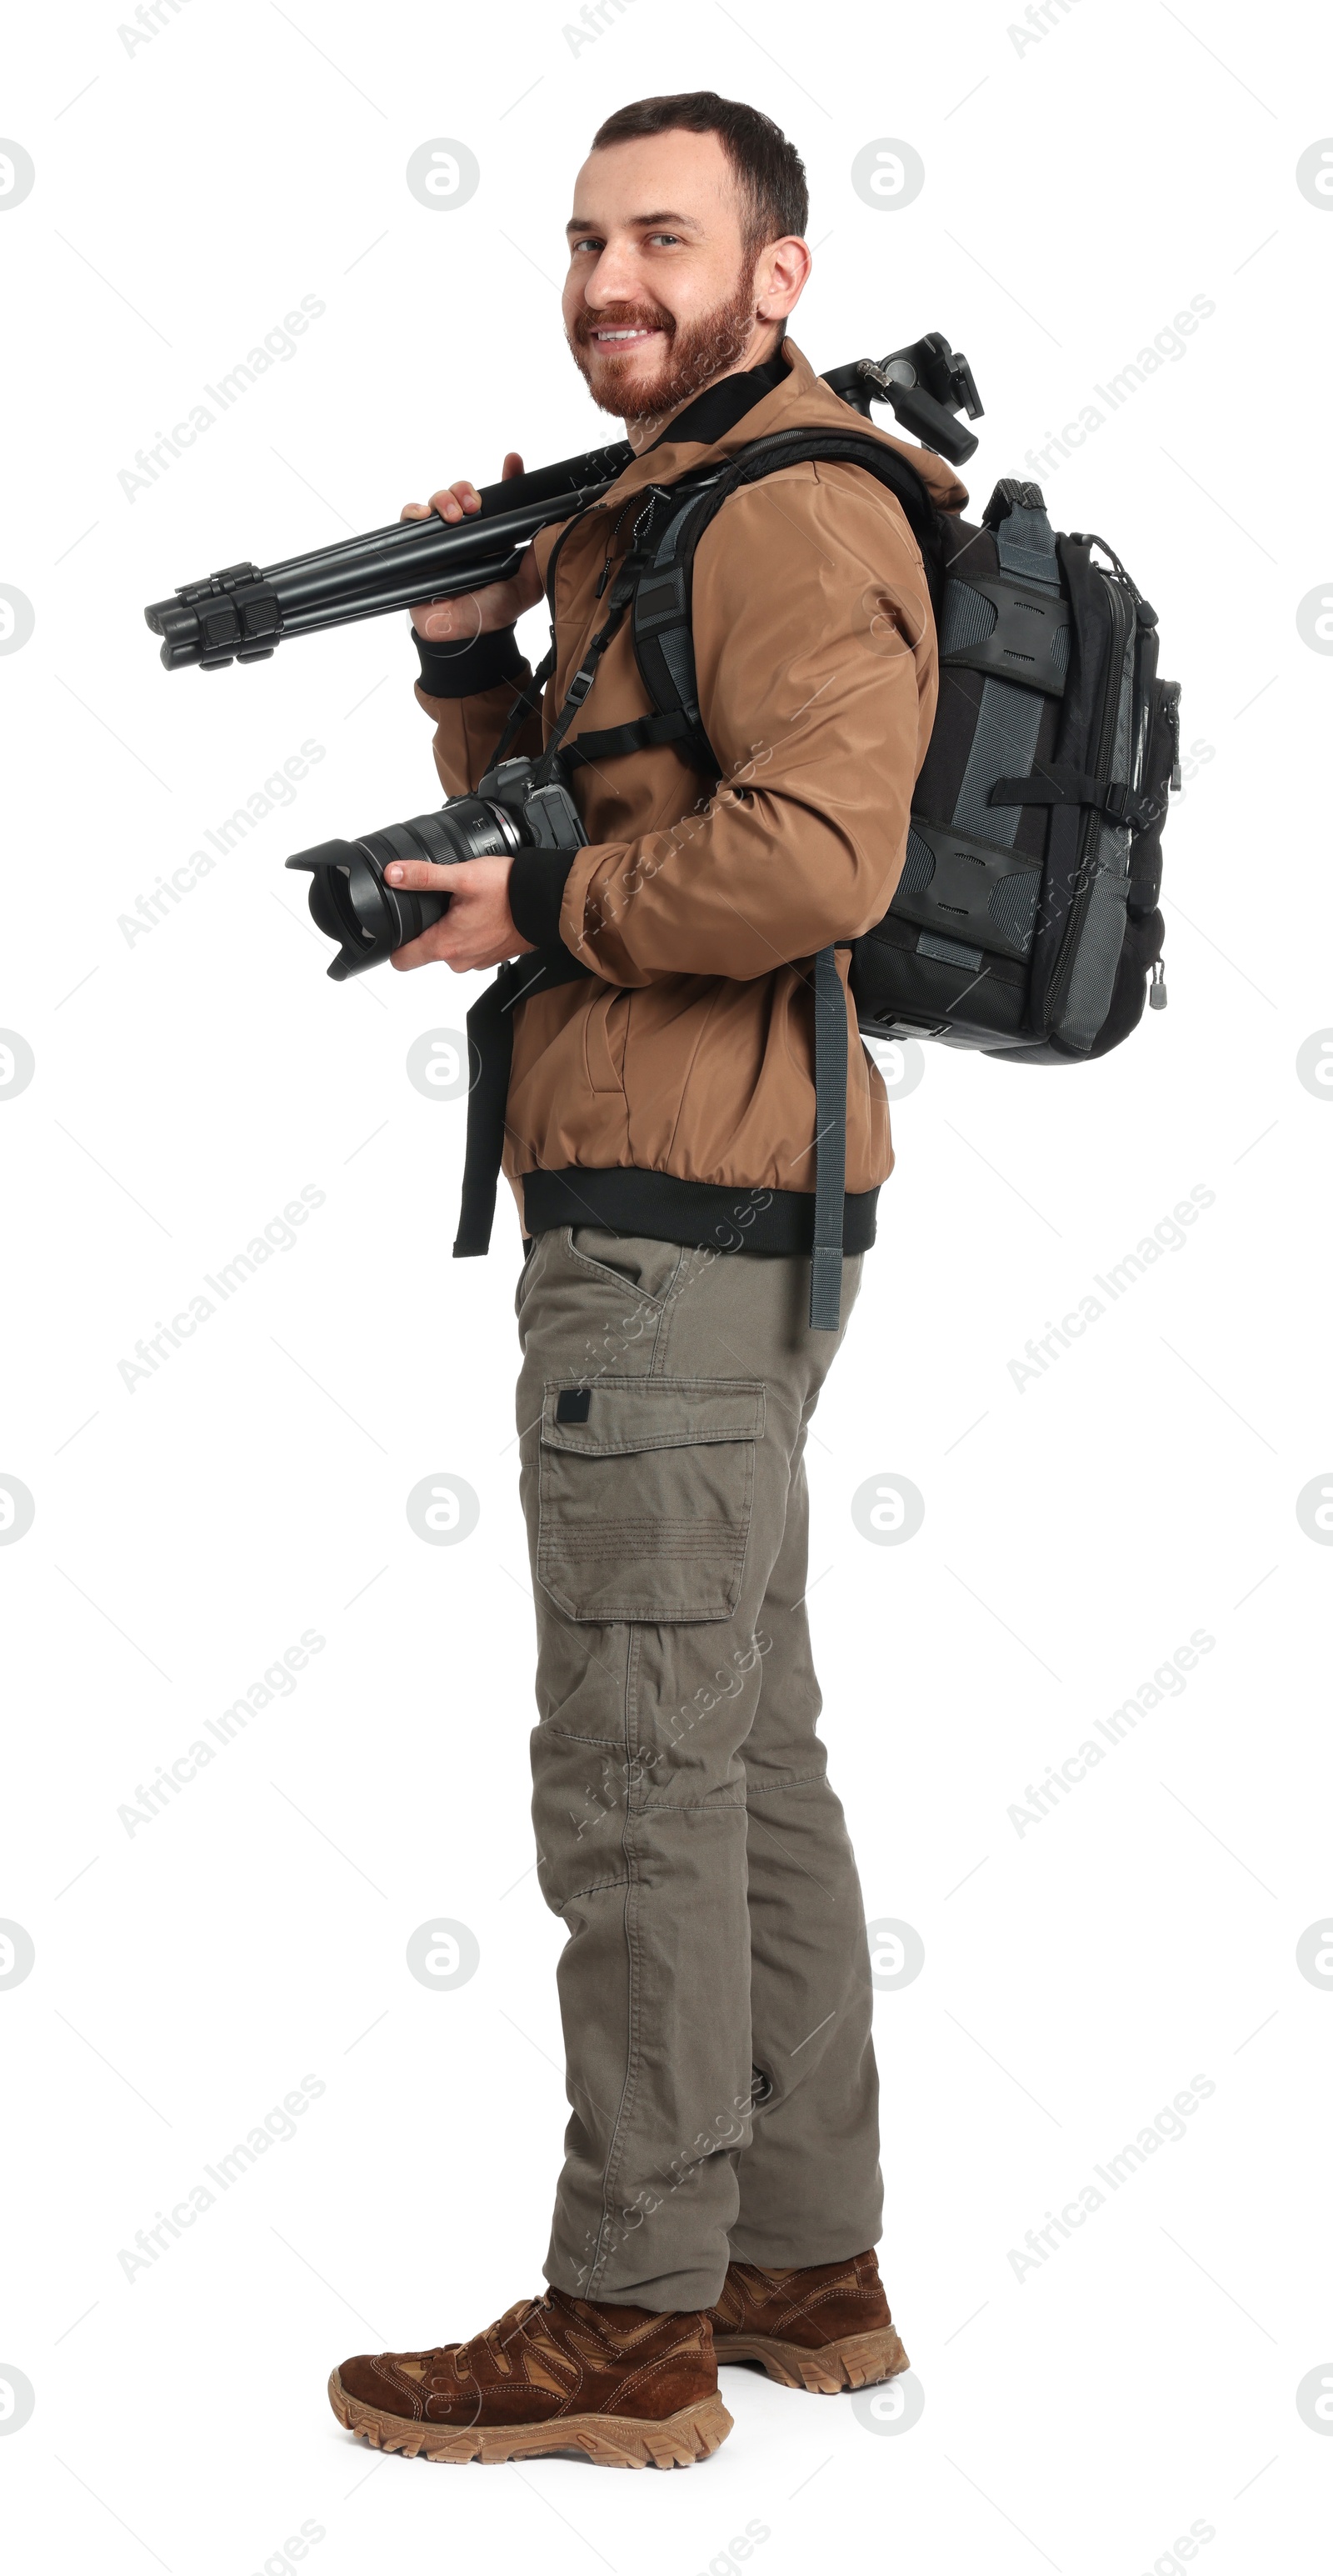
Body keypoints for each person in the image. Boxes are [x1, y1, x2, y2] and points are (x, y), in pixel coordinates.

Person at [327, 88, 964, 2469]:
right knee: (739, 1745)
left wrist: (549, 916)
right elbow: (604, 813)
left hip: (682, 1233)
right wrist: (468, 666)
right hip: (704, 1204)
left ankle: (630, 2314)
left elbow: (817, 853)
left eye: (665, 239)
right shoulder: (666, 511)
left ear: (774, 275)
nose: (612, 275)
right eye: (587, 237)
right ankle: (799, 2255)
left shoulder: (790, 507)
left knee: (637, 1771)